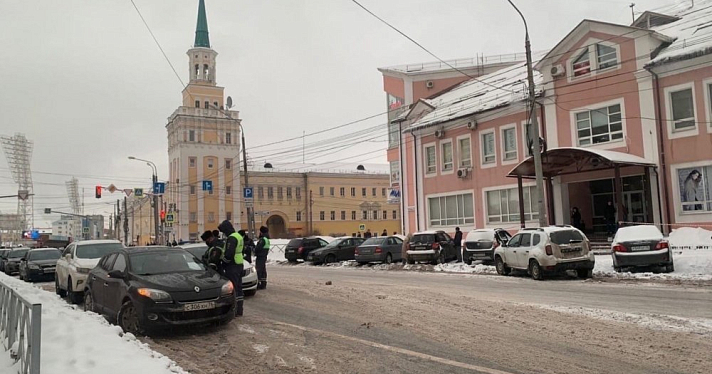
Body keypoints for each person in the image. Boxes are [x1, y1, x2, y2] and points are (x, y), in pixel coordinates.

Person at [218, 220, 244, 317]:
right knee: (239, 288)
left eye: (224, 231)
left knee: (233, 289)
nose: (223, 234)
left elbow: (229, 254)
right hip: (239, 263)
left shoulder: (231, 238)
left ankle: (234, 310)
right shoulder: (238, 236)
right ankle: (239, 309)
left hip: (232, 265)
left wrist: (223, 262)